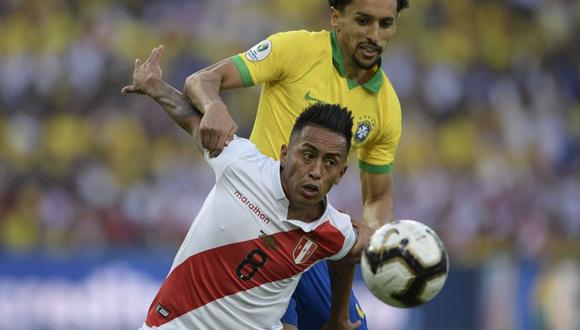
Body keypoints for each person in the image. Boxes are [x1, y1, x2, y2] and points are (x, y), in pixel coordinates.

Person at [183, 0, 409, 328]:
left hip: (306, 235)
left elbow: (377, 199)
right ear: (336, 18)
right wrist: (214, 106)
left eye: (385, 24)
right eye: (363, 21)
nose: (374, 35)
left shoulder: (387, 106)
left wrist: (377, 238)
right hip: (253, 227)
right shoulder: (295, 50)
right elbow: (201, 81)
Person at [122, 46, 371, 330]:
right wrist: (154, 86)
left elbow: (351, 251)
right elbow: (192, 121)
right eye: (308, 155)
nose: (315, 171)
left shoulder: (333, 230)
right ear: (284, 153)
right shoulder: (243, 164)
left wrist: (338, 317)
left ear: (341, 174)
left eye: (329, 163)